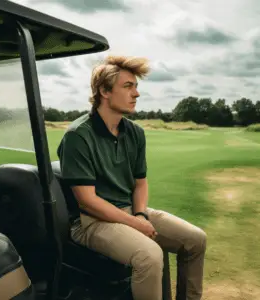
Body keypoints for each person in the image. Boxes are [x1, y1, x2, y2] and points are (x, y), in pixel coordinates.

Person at [57, 55, 207, 300]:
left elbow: (140, 182)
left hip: (129, 211)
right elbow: (87, 202)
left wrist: (139, 214)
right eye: (128, 86)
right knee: (150, 255)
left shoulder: (135, 132)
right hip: (90, 222)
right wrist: (136, 224)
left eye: (136, 86)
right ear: (104, 91)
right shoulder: (78, 135)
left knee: (195, 240)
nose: (136, 93)